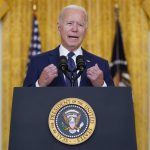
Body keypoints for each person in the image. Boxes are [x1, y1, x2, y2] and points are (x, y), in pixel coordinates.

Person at [23, 5, 114, 87]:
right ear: (59, 28)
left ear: (85, 31)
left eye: (80, 25)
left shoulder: (101, 65)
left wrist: (102, 86)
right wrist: (40, 84)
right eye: (70, 23)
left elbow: (114, 102)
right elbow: (25, 101)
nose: (74, 29)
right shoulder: (38, 62)